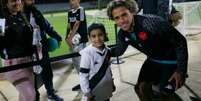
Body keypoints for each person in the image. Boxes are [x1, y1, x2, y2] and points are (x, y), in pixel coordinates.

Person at [107, 0, 188, 101]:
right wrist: (103, 51)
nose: (121, 21)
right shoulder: (122, 34)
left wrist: (181, 71)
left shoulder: (152, 23)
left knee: (165, 93)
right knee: (140, 89)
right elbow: (118, 51)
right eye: (117, 18)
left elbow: (180, 41)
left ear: (132, 11)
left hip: (171, 60)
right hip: (153, 60)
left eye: (124, 15)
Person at [22, 0, 63, 101]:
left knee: (47, 72)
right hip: (28, 52)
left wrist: (57, 37)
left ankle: (50, 93)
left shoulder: (36, 13)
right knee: (32, 77)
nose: (33, 1)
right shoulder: (19, 15)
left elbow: (47, 26)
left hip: (42, 49)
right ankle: (35, 97)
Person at [0, 0, 35, 101]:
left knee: (25, 96)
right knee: (30, 96)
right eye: (13, 1)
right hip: (13, 65)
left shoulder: (22, 17)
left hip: (29, 62)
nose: (17, 2)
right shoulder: (2, 20)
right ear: (6, 4)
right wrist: (4, 38)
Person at [79, 23, 114, 101]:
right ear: (89, 38)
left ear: (105, 35)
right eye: (93, 36)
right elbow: (83, 75)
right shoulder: (87, 53)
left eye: (100, 35)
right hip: (93, 91)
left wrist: (112, 83)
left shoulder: (108, 50)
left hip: (105, 88)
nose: (97, 39)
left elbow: (108, 69)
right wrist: (87, 92)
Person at [65, 0, 88, 91]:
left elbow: (77, 24)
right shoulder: (70, 12)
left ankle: (87, 83)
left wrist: (70, 38)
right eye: (70, 0)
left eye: (73, 0)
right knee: (76, 63)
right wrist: (67, 37)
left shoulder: (81, 9)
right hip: (73, 40)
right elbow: (69, 25)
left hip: (80, 41)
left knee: (82, 63)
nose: (71, 2)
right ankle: (83, 82)